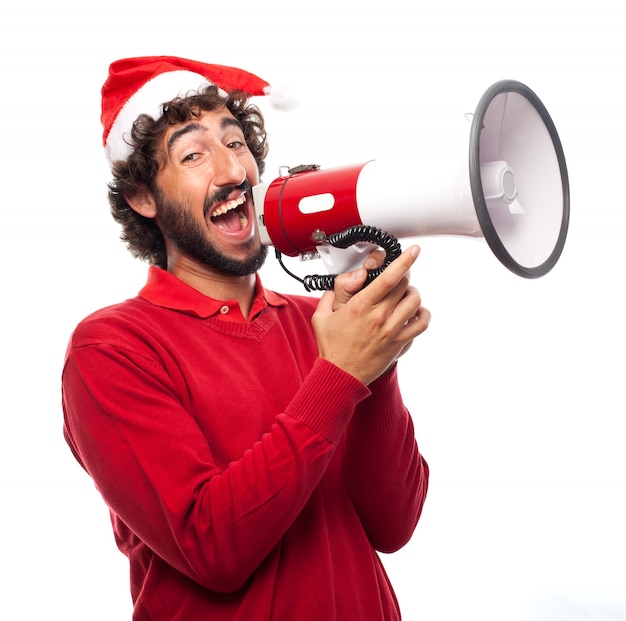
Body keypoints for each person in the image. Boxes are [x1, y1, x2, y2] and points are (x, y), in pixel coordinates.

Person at [62, 56, 431, 621]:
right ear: (143, 197)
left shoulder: (325, 323)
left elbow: (393, 522)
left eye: (236, 144)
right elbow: (211, 546)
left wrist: (375, 359)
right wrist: (341, 374)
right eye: (193, 154)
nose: (233, 170)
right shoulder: (112, 348)